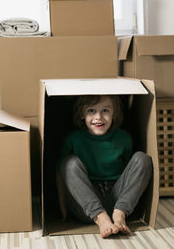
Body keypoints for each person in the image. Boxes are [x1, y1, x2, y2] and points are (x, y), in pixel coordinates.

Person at [56, 95, 152, 238]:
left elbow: (130, 173)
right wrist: (62, 208)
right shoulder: (73, 139)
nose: (98, 117)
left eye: (105, 110)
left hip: (118, 201)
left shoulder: (124, 138)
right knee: (69, 163)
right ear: (82, 114)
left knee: (142, 159)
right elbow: (60, 173)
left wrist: (122, 207)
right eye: (91, 111)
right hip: (86, 204)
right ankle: (101, 219)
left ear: (114, 114)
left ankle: (119, 215)